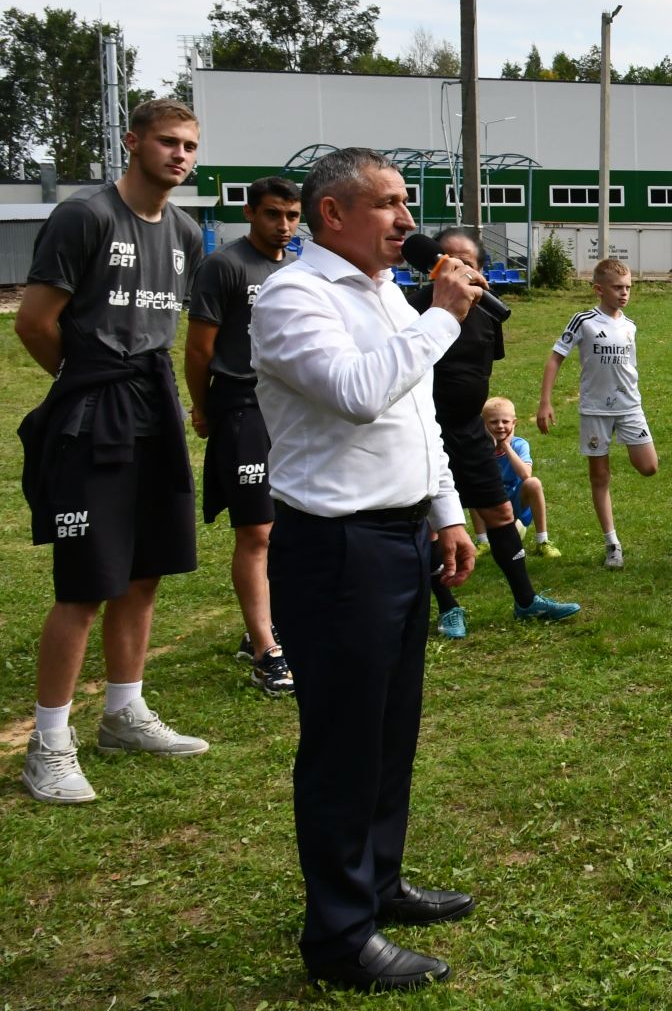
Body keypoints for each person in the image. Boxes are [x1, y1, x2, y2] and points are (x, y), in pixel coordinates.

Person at [251, 148, 483, 989]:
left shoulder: (386, 294)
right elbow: (355, 391)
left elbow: (414, 419)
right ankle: (340, 939)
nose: (407, 221)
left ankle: (379, 883)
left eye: (407, 203)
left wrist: (445, 512)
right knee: (344, 746)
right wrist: (443, 318)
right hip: (337, 548)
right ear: (331, 216)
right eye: (387, 204)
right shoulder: (292, 298)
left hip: (400, 538)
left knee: (390, 733)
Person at [16, 97, 208, 805]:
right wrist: (85, 386)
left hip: (153, 407)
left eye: (189, 145)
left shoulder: (186, 231)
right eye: (166, 142)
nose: (179, 156)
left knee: (145, 568)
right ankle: (49, 744)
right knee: (86, 583)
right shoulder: (86, 216)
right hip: (96, 409)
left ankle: (124, 712)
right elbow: (36, 324)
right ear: (132, 142)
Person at [414, 227, 577, 632]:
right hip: (422, 432)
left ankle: (526, 601)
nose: (456, 269)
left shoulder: (489, 310)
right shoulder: (414, 308)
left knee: (501, 512)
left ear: (482, 271)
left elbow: (482, 369)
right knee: (432, 526)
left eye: (466, 262)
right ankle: (448, 606)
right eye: (446, 260)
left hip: (470, 431)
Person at [184, 174, 300, 696]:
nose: (284, 226)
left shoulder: (297, 271)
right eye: (274, 214)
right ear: (250, 213)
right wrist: (204, 408)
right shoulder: (223, 266)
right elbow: (198, 350)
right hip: (238, 406)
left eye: (293, 216)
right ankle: (265, 653)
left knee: (285, 525)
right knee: (255, 531)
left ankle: (267, 626)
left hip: (288, 410)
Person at [538, 257, 659, 570]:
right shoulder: (583, 321)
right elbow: (555, 359)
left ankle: (612, 539)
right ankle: (612, 544)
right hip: (595, 410)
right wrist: (545, 402)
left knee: (648, 467)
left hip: (630, 406)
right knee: (600, 476)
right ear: (598, 289)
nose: (624, 293)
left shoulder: (630, 326)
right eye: (617, 287)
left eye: (628, 287)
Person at [482, 396, 553, 557]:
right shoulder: (480, 447)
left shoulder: (520, 445)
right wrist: (490, 449)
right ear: (484, 424)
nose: (500, 426)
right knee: (472, 484)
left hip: (514, 500)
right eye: (493, 422)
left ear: (514, 423)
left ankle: (542, 541)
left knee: (533, 483)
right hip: (490, 504)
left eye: (505, 422)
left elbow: (526, 474)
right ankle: (482, 541)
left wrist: (506, 446)